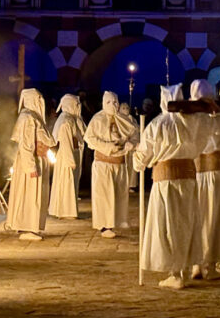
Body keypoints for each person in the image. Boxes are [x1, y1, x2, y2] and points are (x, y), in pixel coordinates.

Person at [134, 85, 208, 290]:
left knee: (168, 225)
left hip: (166, 179)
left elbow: (143, 155)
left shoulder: (158, 124)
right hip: (188, 178)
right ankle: (183, 268)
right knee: (186, 223)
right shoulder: (192, 124)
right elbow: (202, 144)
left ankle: (175, 273)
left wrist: (137, 160)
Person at [189, 79, 220, 280]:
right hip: (211, 174)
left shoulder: (190, 119)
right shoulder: (218, 120)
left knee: (201, 218)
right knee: (212, 218)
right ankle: (207, 264)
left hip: (200, 173)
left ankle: (199, 263)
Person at [85, 91, 138, 238]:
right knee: (104, 196)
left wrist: (131, 144)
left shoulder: (124, 119)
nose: (113, 105)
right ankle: (104, 225)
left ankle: (117, 221)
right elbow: (90, 138)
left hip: (119, 163)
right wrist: (108, 147)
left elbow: (134, 134)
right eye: (109, 102)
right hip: (103, 164)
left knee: (118, 195)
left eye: (115, 102)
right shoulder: (98, 119)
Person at [6, 89, 56, 241]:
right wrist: (30, 166)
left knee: (35, 195)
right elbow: (26, 144)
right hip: (32, 161)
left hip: (37, 159)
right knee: (29, 195)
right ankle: (27, 227)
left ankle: (31, 226)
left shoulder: (34, 117)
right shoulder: (27, 117)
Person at [49, 94, 86, 220]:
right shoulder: (65, 121)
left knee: (71, 183)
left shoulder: (72, 119)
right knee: (66, 183)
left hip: (73, 153)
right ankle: (66, 211)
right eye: (76, 105)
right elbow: (65, 142)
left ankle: (69, 210)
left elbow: (83, 134)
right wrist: (70, 160)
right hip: (67, 156)